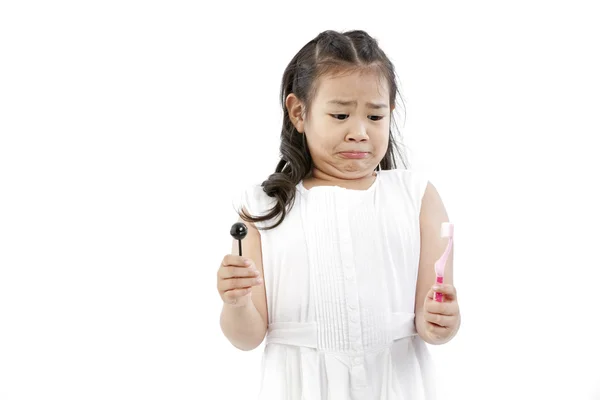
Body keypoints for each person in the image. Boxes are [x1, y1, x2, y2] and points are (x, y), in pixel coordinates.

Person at [217, 29, 461, 400]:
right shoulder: (264, 209)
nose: (359, 132)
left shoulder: (415, 197)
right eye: (341, 114)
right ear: (299, 112)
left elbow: (432, 320)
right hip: (301, 388)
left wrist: (442, 322)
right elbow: (247, 337)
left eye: (375, 117)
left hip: (394, 385)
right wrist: (235, 302)